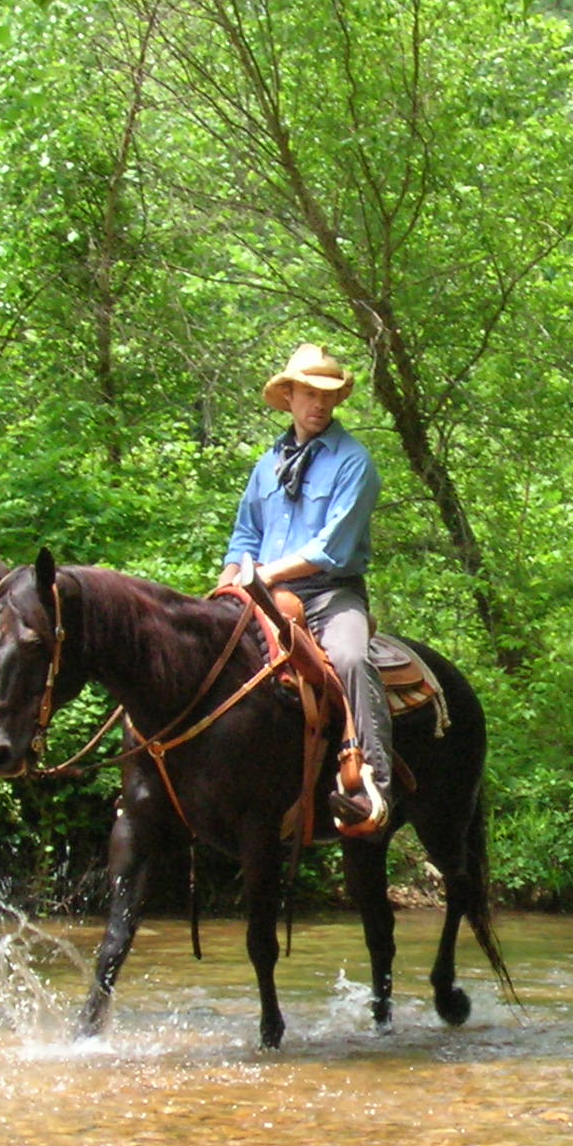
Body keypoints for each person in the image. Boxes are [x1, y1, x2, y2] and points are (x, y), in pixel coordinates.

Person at [218, 343, 391, 834]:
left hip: (330, 594)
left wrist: (265, 577)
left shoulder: (354, 462)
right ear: (288, 395)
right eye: (308, 393)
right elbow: (245, 533)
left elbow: (331, 547)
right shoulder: (266, 465)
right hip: (260, 591)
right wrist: (229, 579)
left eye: (327, 395)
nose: (318, 403)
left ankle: (371, 784)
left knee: (353, 658)